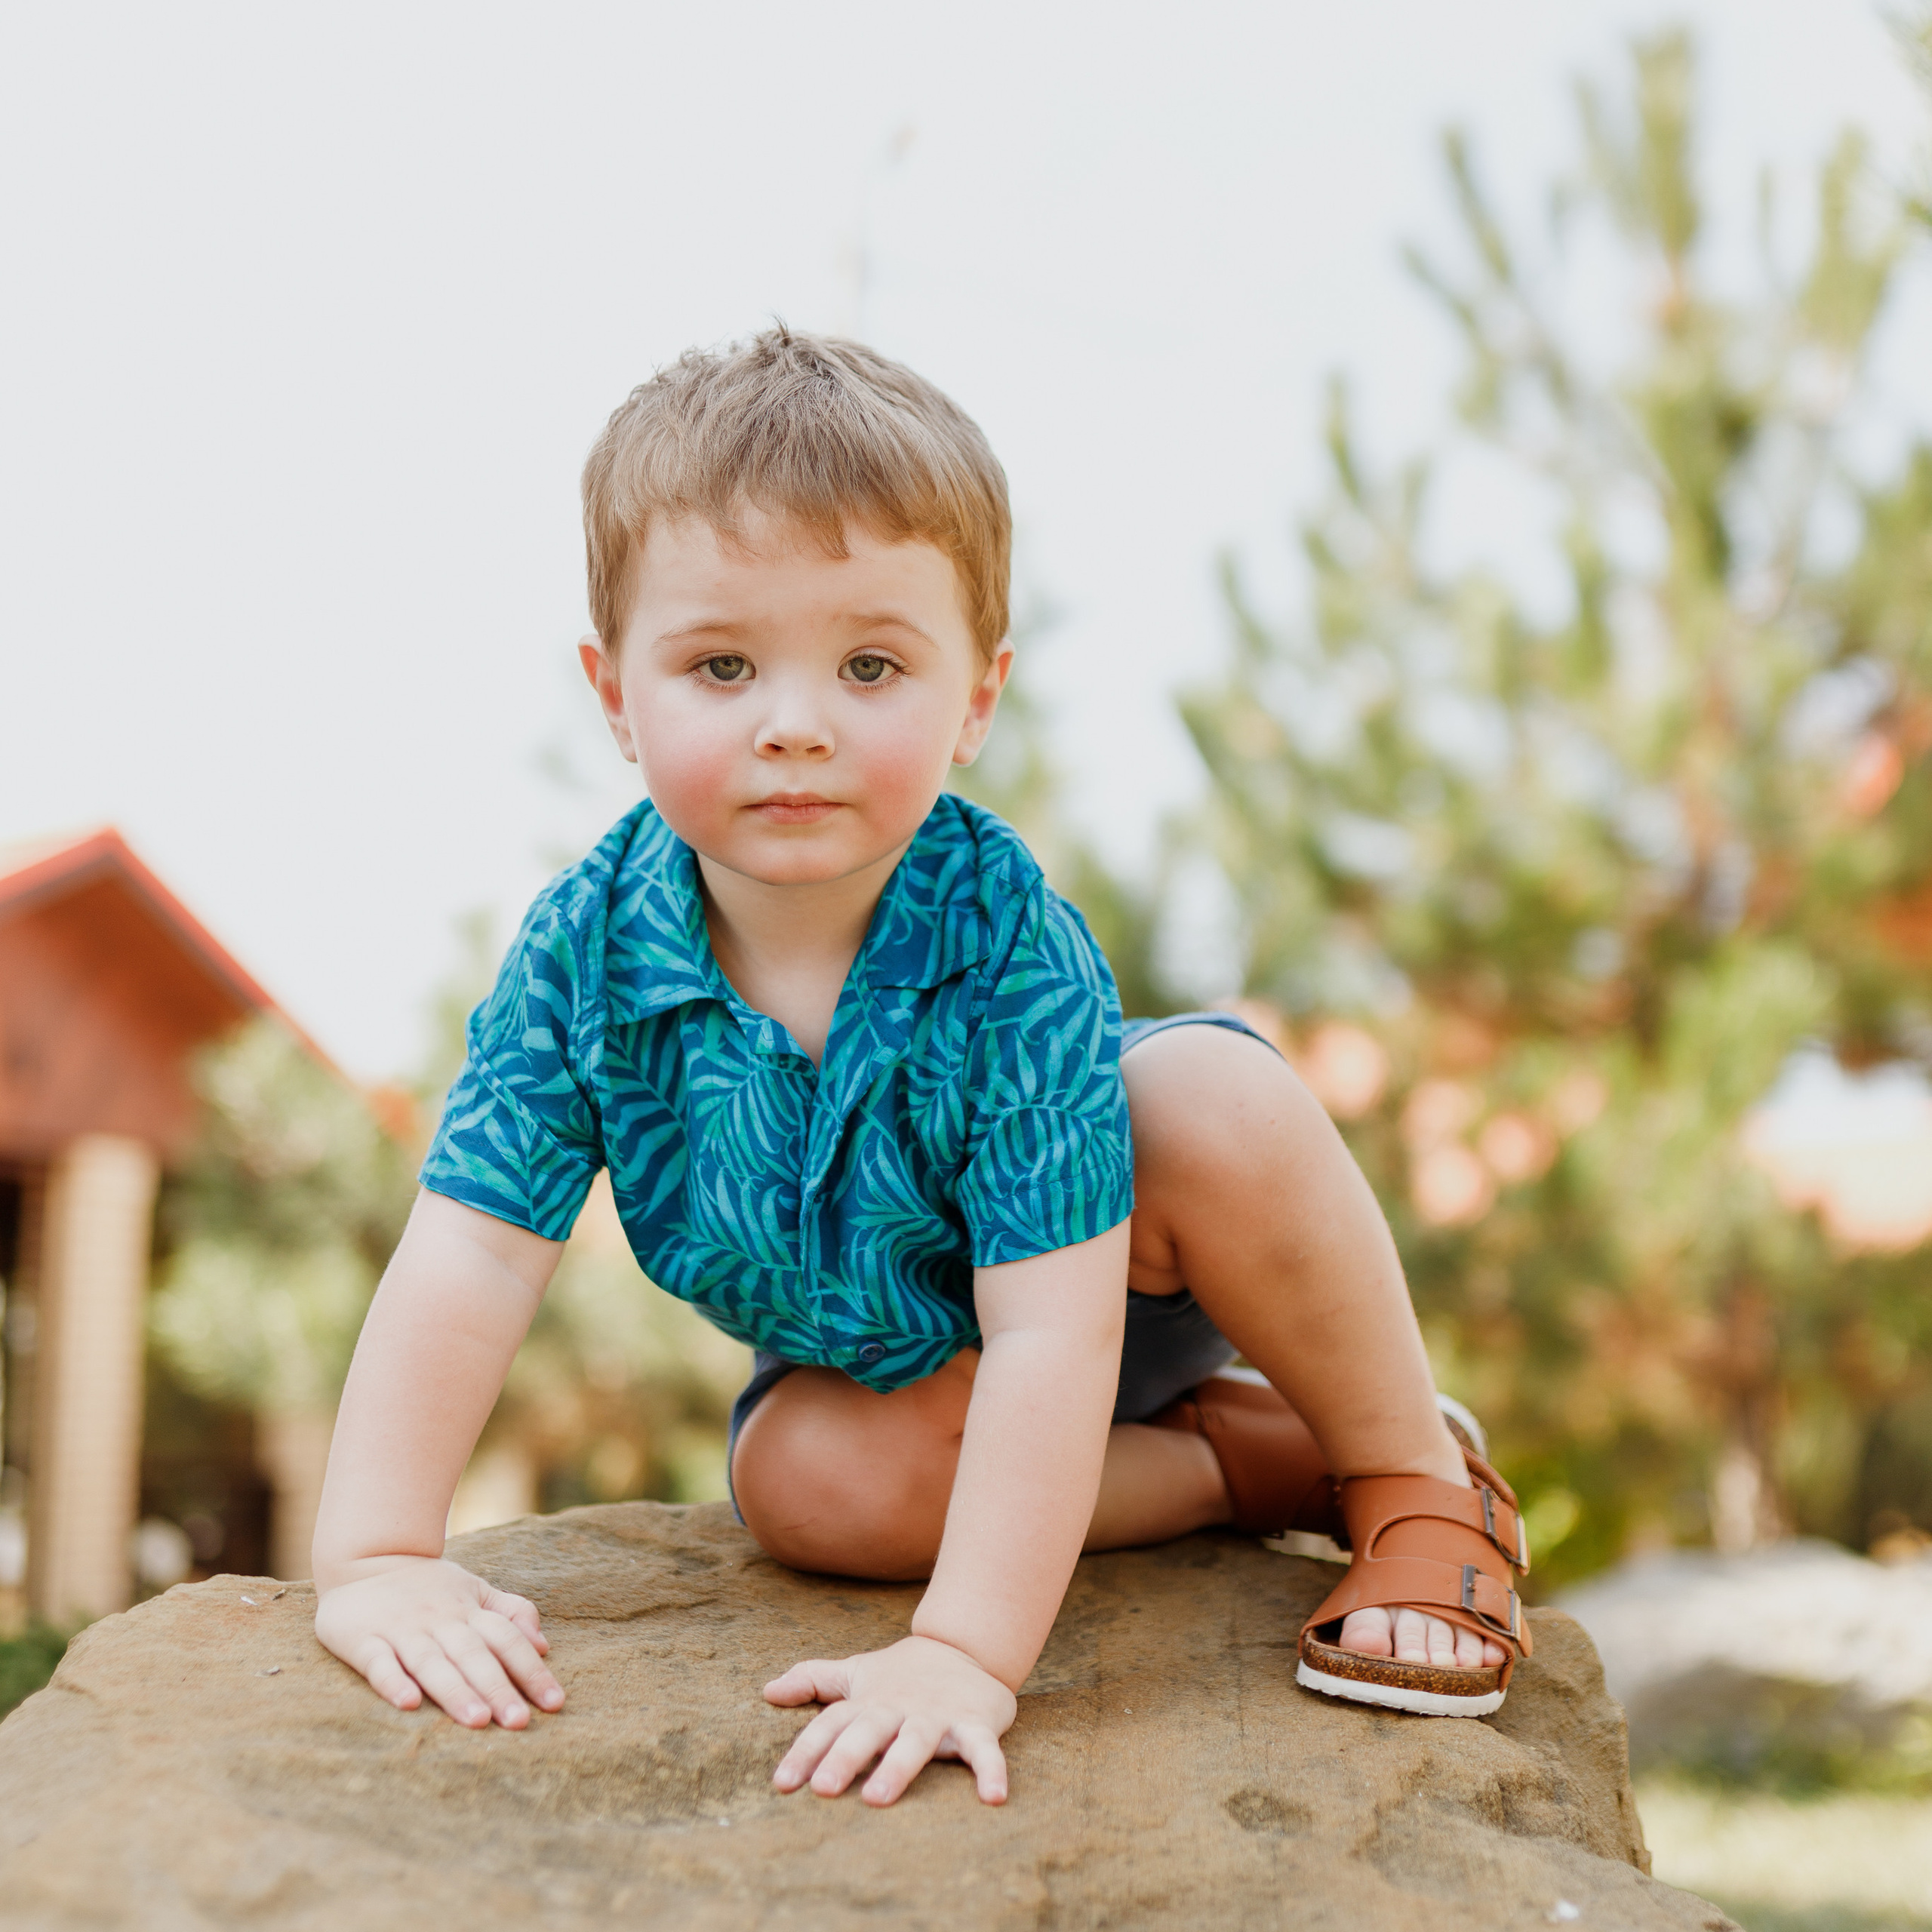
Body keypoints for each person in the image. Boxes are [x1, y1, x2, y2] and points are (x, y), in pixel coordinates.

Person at [310, 328, 1531, 1810]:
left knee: (1213, 1092)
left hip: (1102, 1287)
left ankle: (1411, 1479)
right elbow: (472, 1262)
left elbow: (1048, 1341)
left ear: (975, 694)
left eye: (870, 662)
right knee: (804, 1490)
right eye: (720, 664)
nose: (795, 720)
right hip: (881, 1351)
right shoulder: (586, 953)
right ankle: (1265, 1465)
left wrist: (960, 1647)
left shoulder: (1003, 941)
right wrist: (378, 1553)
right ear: (615, 691)